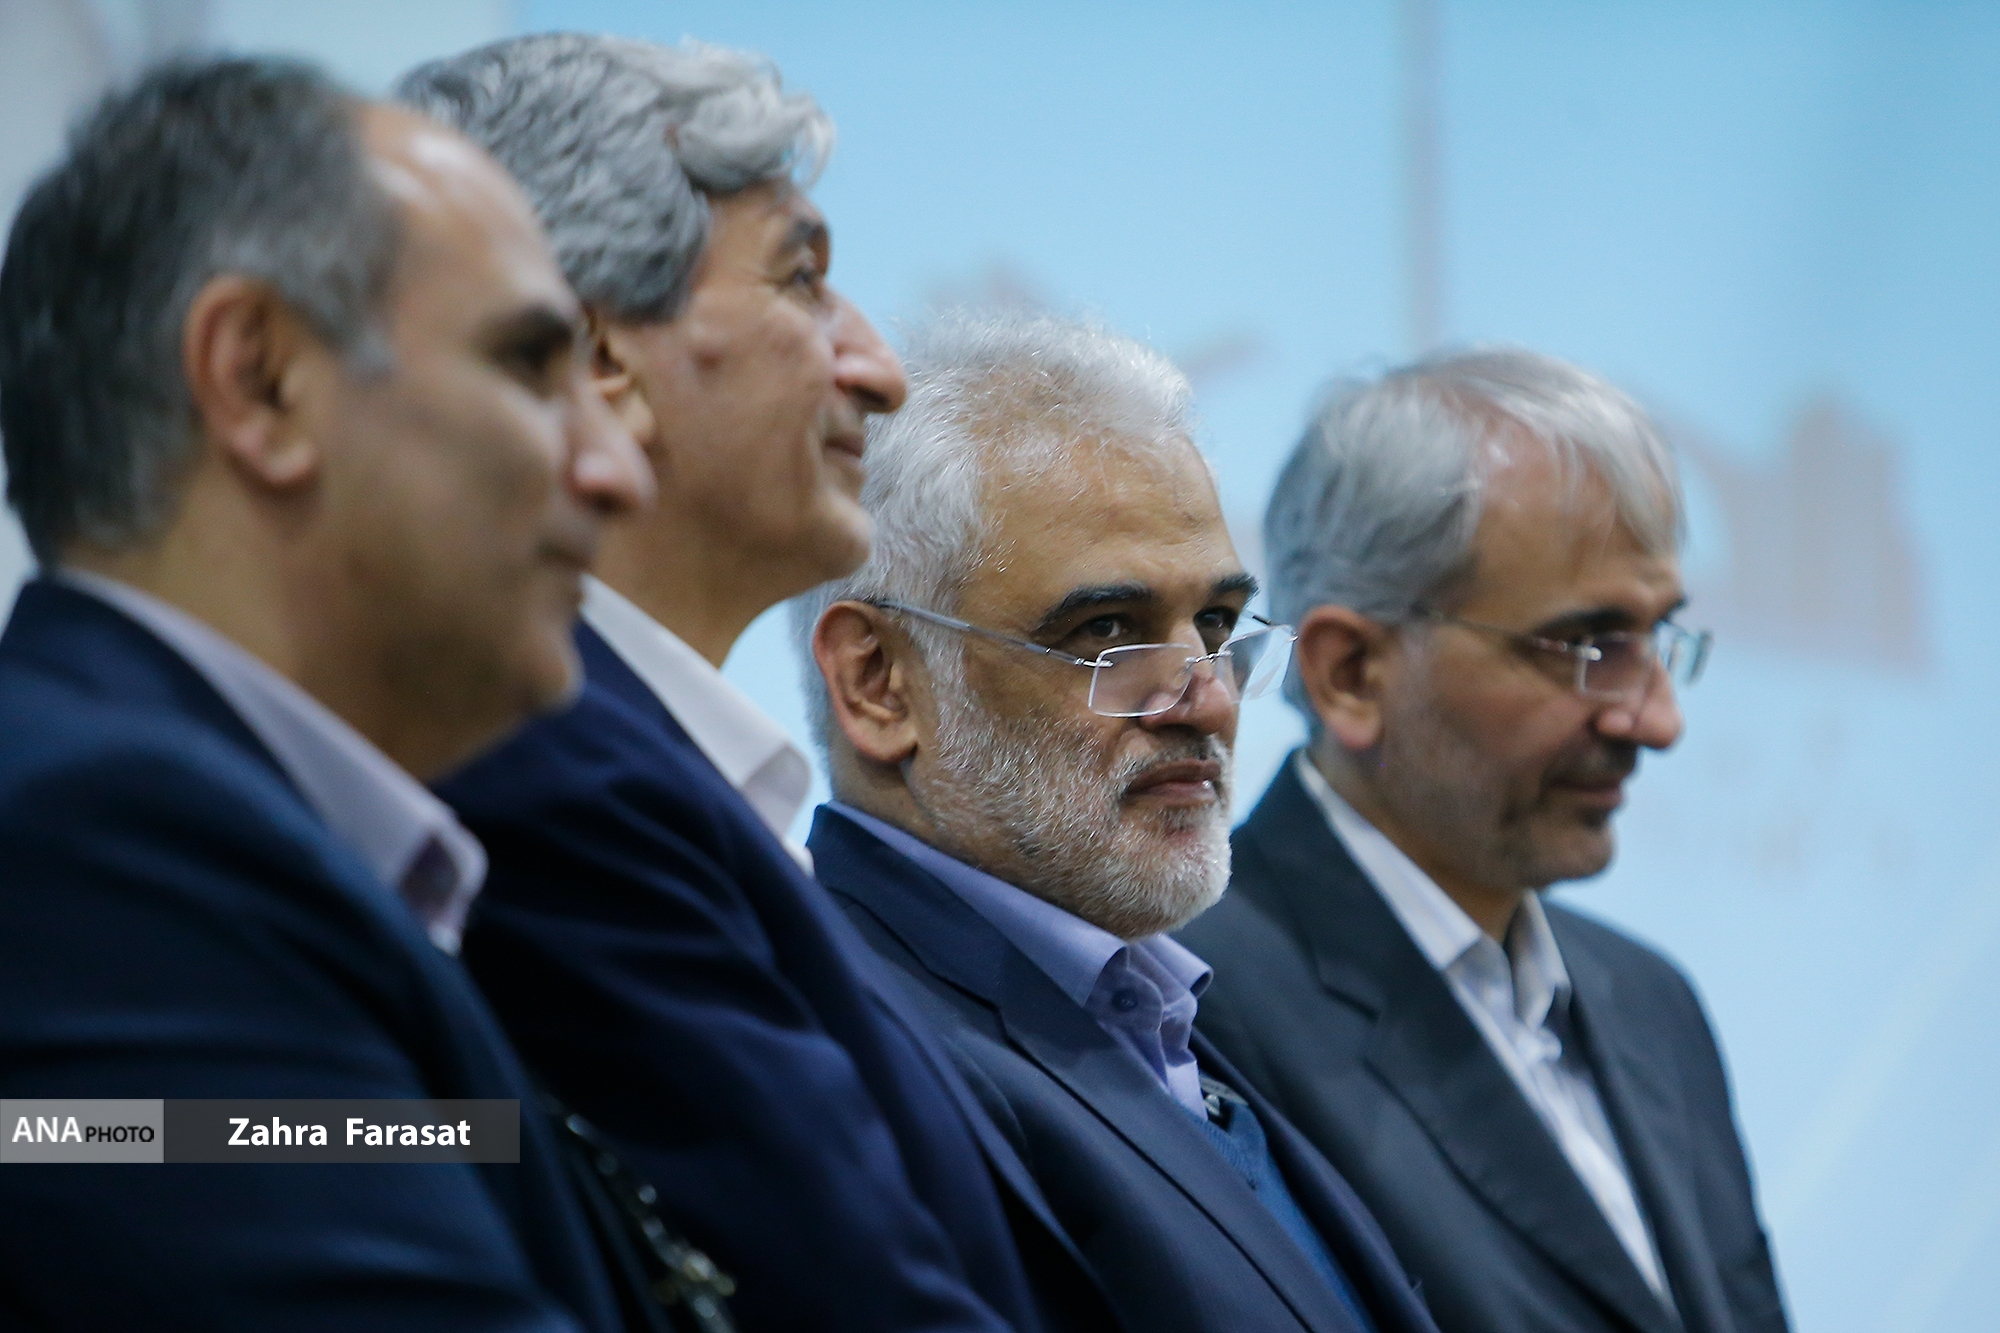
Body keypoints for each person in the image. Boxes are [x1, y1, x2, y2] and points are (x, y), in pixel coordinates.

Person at [400, 37, 1105, 1333]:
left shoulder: (628, 766)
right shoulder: (553, 776)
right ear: (597, 353)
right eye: (803, 278)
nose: (879, 368)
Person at [0, 58, 652, 1332]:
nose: (617, 471)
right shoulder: (97, 853)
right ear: (260, 382)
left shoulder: (174, 837)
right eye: (530, 364)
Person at [793, 309, 1443, 1333]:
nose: (1206, 696)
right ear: (878, 681)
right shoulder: (833, 1048)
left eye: (1216, 625)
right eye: (1106, 631)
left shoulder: (1153, 1011)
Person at [1177, 350, 1789, 1333]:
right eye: (1590, 646)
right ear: (1350, 673)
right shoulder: (1189, 1006)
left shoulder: (1650, 1002)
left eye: (1657, 636)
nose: (1658, 718)